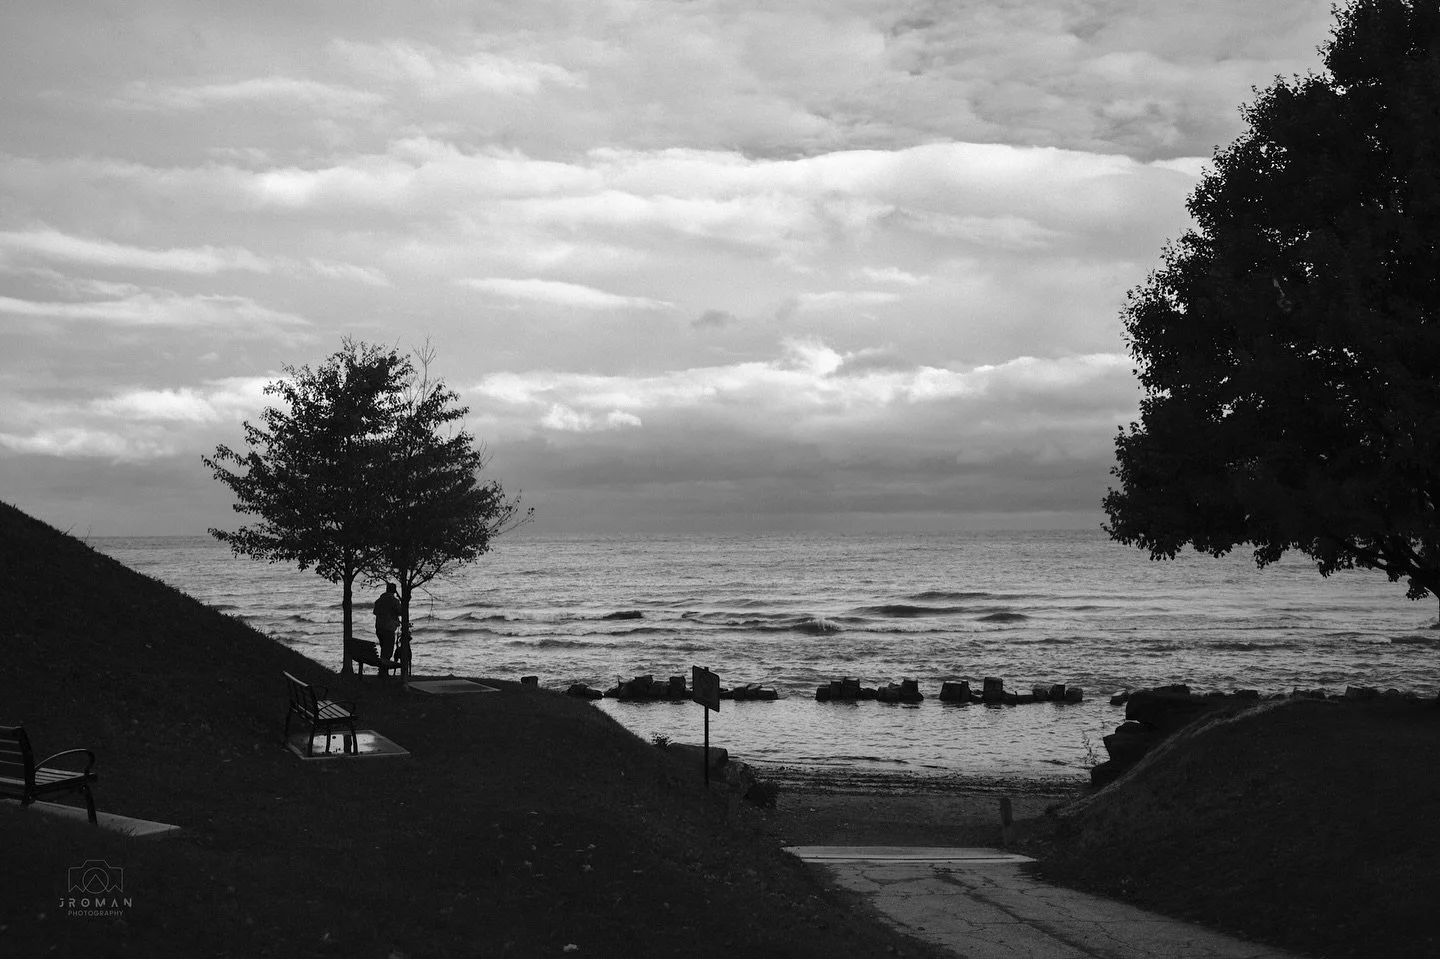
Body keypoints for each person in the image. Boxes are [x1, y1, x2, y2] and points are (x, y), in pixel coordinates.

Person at [372, 583, 402, 672]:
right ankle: (383, 671)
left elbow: (375, 612)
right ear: (394, 591)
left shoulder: (379, 600)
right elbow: (401, 612)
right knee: (388, 651)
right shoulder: (394, 601)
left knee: (384, 649)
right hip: (388, 628)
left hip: (379, 628)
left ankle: (382, 670)